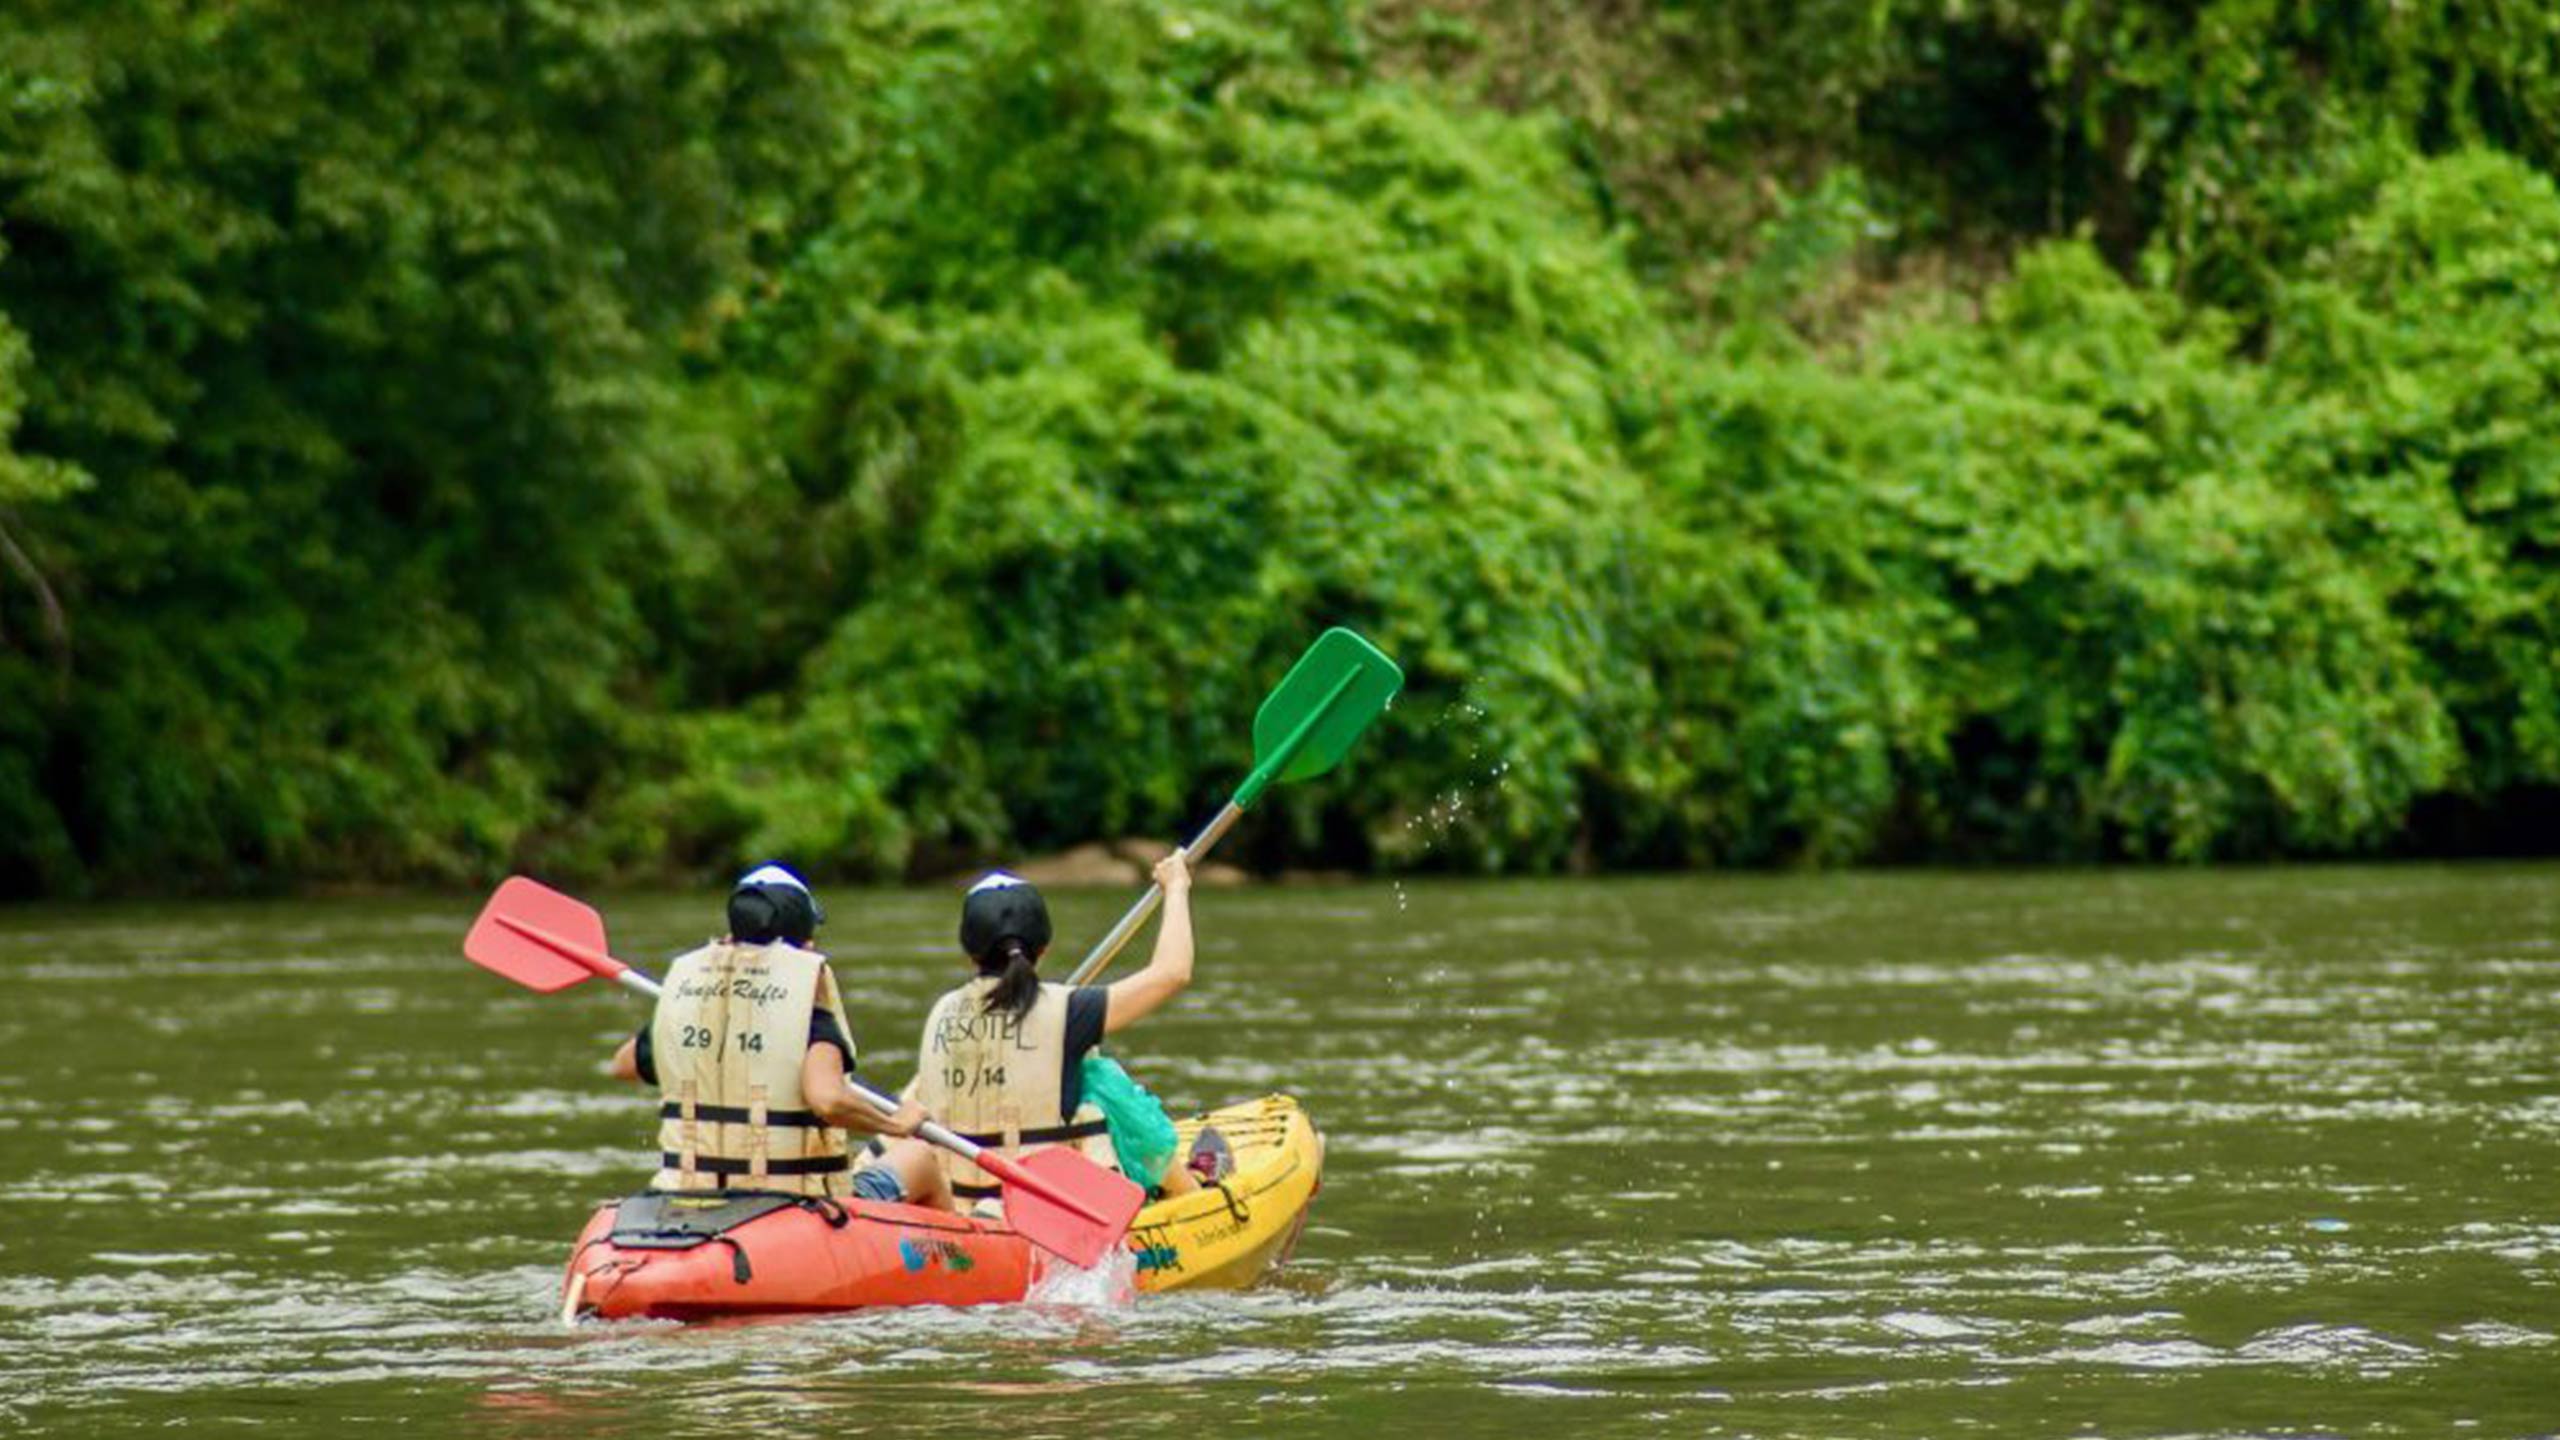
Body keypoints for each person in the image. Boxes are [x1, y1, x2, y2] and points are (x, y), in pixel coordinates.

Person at [607, 863, 946, 1208]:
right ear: (806, 945)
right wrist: (894, 1124)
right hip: (790, 1204)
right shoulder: (808, 1014)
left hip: (690, 1194)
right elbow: (827, 1100)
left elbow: (623, 1066)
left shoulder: (689, 1007)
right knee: (918, 1156)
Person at [883, 852, 1206, 1211]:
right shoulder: (1070, 1009)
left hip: (959, 1212)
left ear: (969, 954)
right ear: (1044, 948)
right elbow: (1173, 972)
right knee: (1100, 1080)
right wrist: (1176, 887)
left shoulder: (941, 1012)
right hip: (1042, 1221)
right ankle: (1188, 1193)